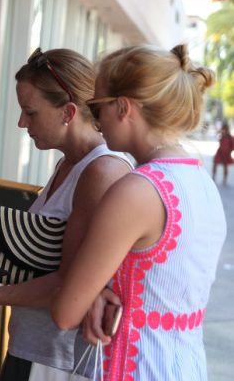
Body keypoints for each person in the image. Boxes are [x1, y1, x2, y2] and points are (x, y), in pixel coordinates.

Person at [0, 48, 131, 380]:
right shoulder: (68, 163)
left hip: (60, 362)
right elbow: (40, 263)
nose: (22, 123)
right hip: (32, 348)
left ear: (68, 112)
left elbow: (68, 281)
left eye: (30, 113)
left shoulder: (100, 172)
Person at [52, 44, 226, 380]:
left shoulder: (136, 191)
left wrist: (91, 295)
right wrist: (100, 291)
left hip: (135, 367)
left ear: (123, 107)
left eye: (96, 106)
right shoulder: (204, 185)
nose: (95, 119)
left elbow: (65, 312)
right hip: (186, 366)